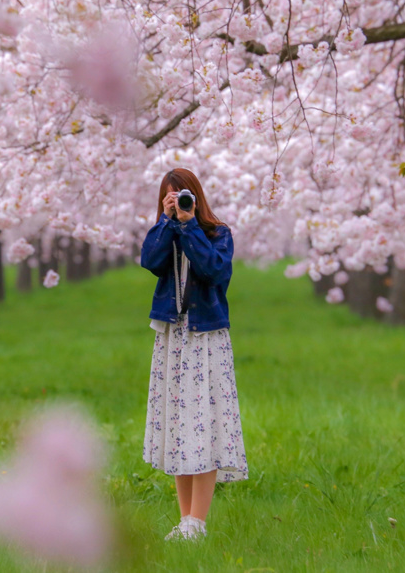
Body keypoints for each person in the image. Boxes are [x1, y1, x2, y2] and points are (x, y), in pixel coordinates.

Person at [139, 168, 248, 542]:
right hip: (173, 337)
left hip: (206, 338)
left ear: (196, 197)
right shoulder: (164, 233)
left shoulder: (218, 234)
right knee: (178, 425)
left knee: (205, 422)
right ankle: (185, 521)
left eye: (183, 197)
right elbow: (149, 261)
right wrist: (168, 223)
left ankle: (197, 523)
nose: (178, 203)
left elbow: (214, 270)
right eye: (170, 198)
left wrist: (189, 227)